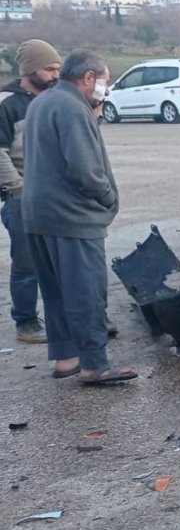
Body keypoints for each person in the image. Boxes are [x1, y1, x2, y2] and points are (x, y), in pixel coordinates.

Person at [22, 50, 135, 384]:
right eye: (104, 81)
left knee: (56, 292)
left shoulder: (42, 102)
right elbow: (85, 170)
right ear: (88, 77)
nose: (105, 89)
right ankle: (94, 364)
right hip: (72, 217)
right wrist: (108, 198)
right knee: (86, 292)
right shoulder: (72, 108)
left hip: (39, 214)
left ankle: (66, 358)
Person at [0, 39, 60, 345]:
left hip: (55, 195)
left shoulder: (55, 99)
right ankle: (25, 321)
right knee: (27, 263)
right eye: (49, 69)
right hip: (22, 197)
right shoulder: (7, 103)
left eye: (58, 68)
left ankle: (70, 317)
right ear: (28, 69)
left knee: (63, 259)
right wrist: (19, 189)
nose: (55, 75)